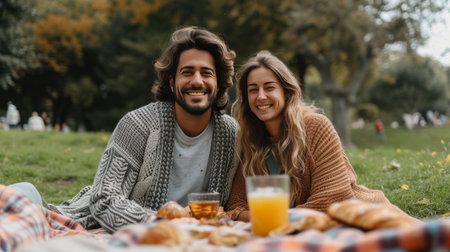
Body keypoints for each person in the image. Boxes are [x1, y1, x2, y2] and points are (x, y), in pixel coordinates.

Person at [11, 26, 238, 233]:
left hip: (192, 238)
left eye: (206, 73)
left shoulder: (232, 134)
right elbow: (104, 199)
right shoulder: (139, 124)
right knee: (19, 213)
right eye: (187, 72)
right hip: (102, 224)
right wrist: (161, 223)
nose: (197, 81)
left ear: (218, 82)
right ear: (171, 82)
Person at [225, 51, 418, 223]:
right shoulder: (249, 140)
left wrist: (267, 219)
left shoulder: (316, 127)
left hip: (362, 218)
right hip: (300, 230)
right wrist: (268, 220)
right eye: (253, 90)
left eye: (269, 87)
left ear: (286, 91)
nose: (260, 96)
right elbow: (236, 205)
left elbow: (331, 200)